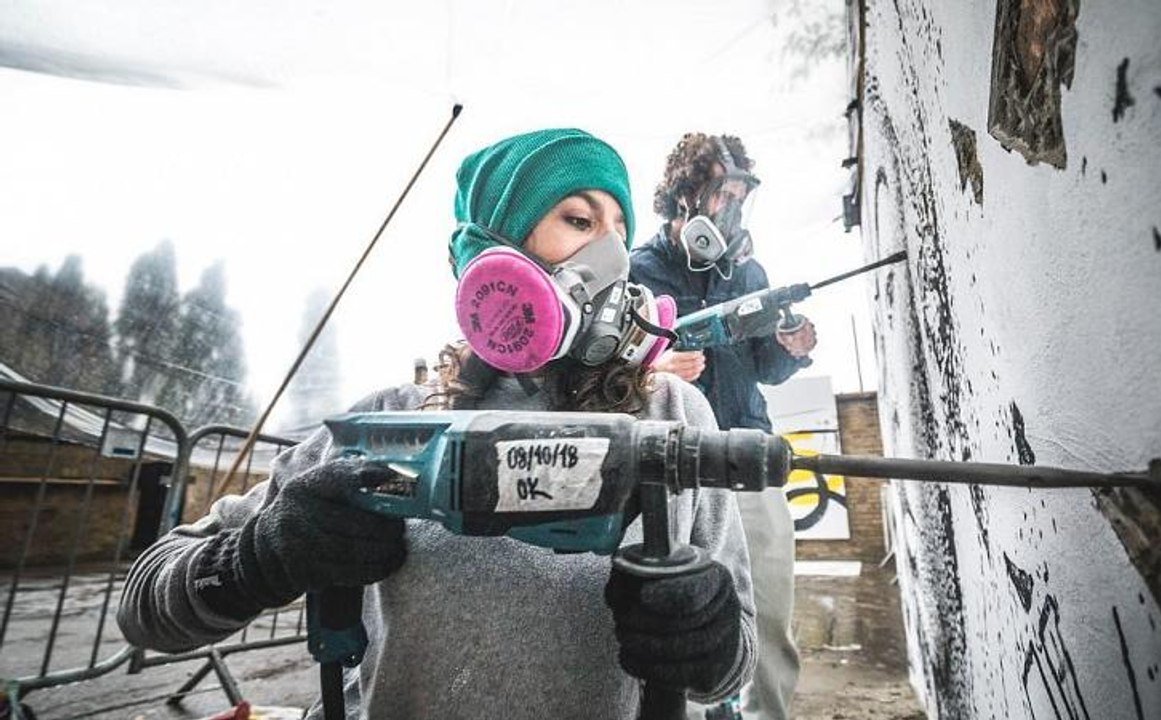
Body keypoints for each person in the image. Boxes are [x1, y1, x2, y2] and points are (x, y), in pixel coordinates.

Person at [118, 129, 758, 719]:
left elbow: (735, 668)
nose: (612, 257)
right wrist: (254, 559)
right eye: (580, 220)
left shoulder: (672, 417)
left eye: (620, 229)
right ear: (495, 257)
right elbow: (146, 608)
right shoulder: (392, 421)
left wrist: (710, 636)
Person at [630, 133, 817, 720]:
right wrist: (650, 371)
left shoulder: (749, 270)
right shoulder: (637, 270)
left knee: (766, 615)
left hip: (749, 461)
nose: (729, 207)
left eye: (739, 194)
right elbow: (602, 374)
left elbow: (766, 367)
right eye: (720, 193)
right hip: (670, 470)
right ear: (684, 197)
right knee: (669, 620)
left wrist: (792, 348)